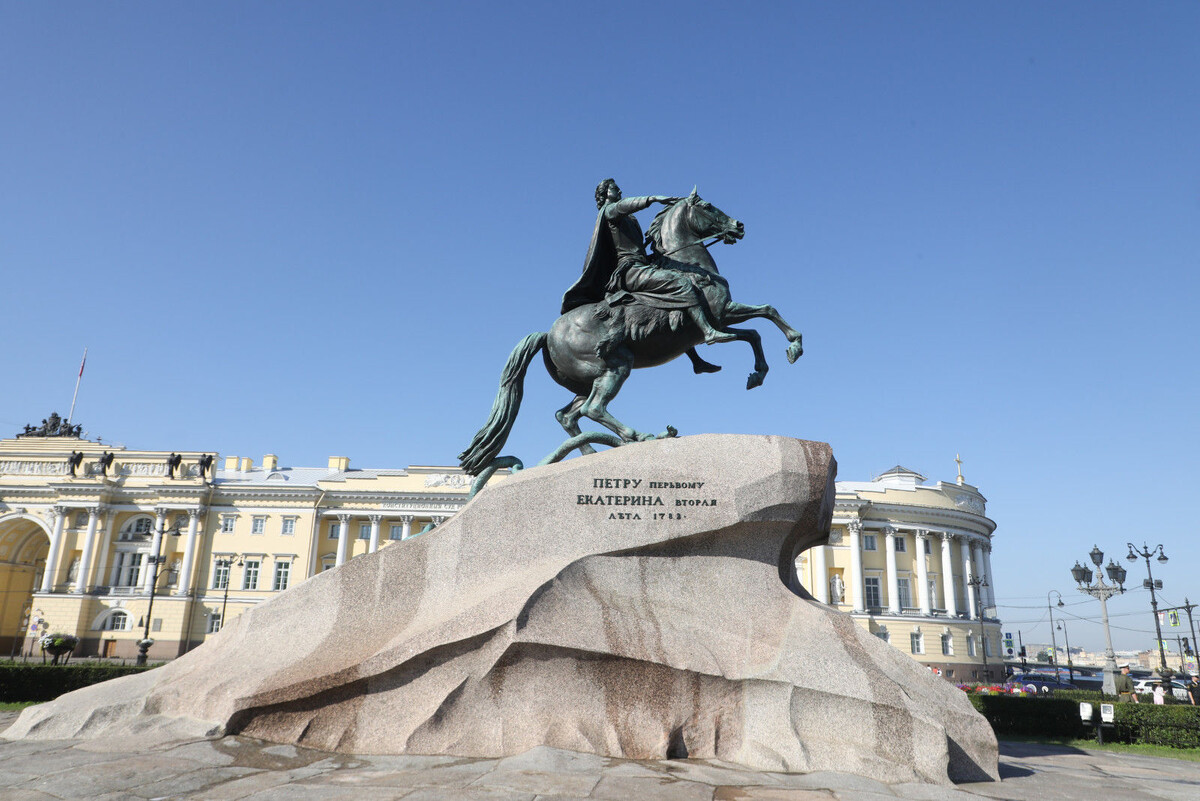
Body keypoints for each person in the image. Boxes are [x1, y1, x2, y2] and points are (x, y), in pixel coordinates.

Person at [562, 179, 737, 347]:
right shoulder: (609, 212)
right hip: (630, 270)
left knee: (680, 279)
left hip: (641, 264)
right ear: (605, 194)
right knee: (681, 283)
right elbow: (623, 206)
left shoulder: (629, 220)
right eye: (615, 189)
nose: (620, 191)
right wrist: (652, 199)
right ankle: (708, 332)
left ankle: (695, 358)